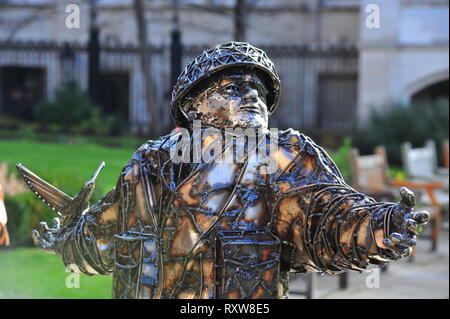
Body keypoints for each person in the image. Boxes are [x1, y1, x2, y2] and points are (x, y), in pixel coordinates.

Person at [26, 42, 428, 299]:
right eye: (235, 88)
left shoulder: (282, 156)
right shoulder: (148, 165)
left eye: (259, 91)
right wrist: (66, 241)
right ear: (193, 105)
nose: (253, 96)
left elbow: (328, 216)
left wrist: (383, 226)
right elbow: (107, 236)